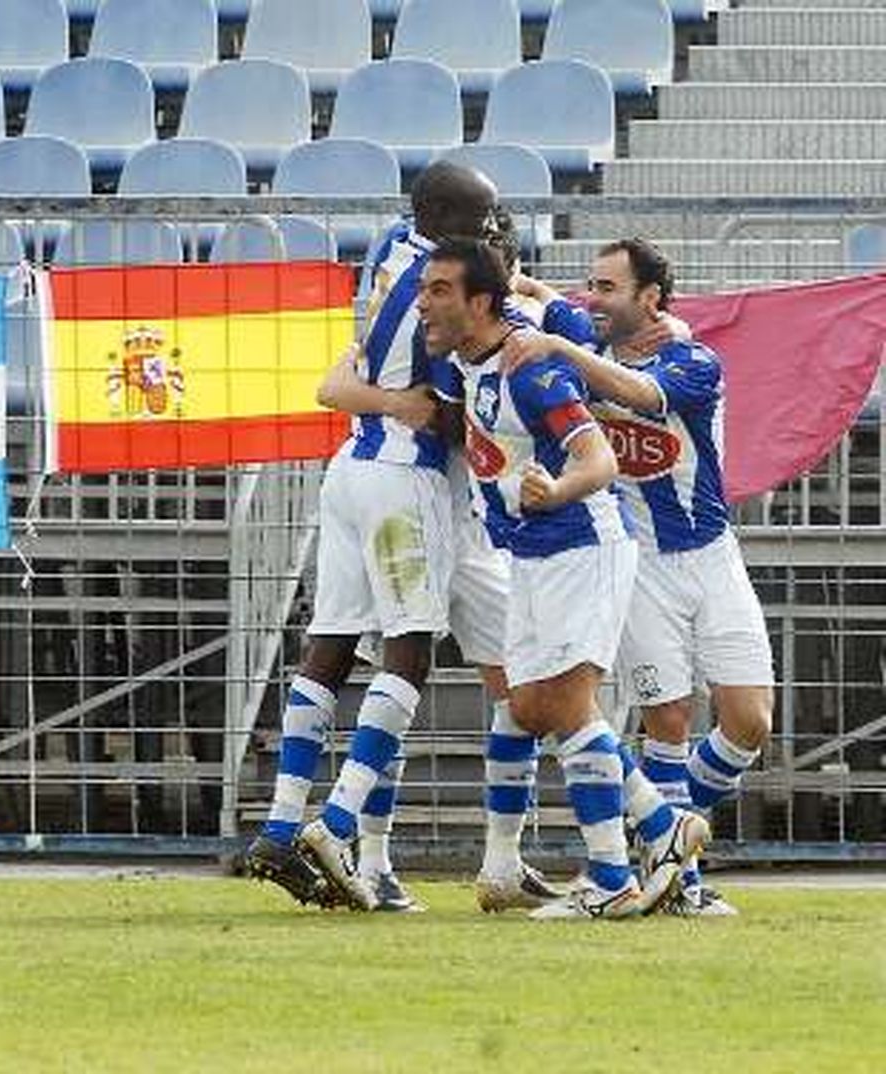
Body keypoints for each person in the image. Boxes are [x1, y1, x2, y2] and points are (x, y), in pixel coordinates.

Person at [420, 237, 706, 919]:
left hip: (582, 546)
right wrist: (537, 289)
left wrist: (558, 490)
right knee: (527, 707)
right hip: (531, 554)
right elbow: (568, 315)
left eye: (438, 292)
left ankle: (611, 879)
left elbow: (600, 459)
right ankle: (663, 828)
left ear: (479, 303)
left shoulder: (529, 371)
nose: (424, 304)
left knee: (569, 708)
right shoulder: (478, 360)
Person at [245, 161, 497, 912]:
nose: (487, 232)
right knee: (409, 652)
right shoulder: (445, 295)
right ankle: (338, 822)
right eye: (478, 221)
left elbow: (344, 373)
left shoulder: (392, 246)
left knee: (328, 648)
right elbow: (455, 401)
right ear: (446, 222)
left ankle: (282, 825)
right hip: (403, 478)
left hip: (349, 465)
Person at [503, 238, 773, 915]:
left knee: (750, 720)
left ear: (650, 297)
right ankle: (680, 880)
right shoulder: (588, 331)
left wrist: (561, 350)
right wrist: (525, 285)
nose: (591, 299)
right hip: (639, 562)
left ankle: (658, 824)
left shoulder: (693, 359)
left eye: (607, 288)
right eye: (589, 286)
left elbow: (644, 394)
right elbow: (539, 299)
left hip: (712, 554)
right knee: (669, 719)